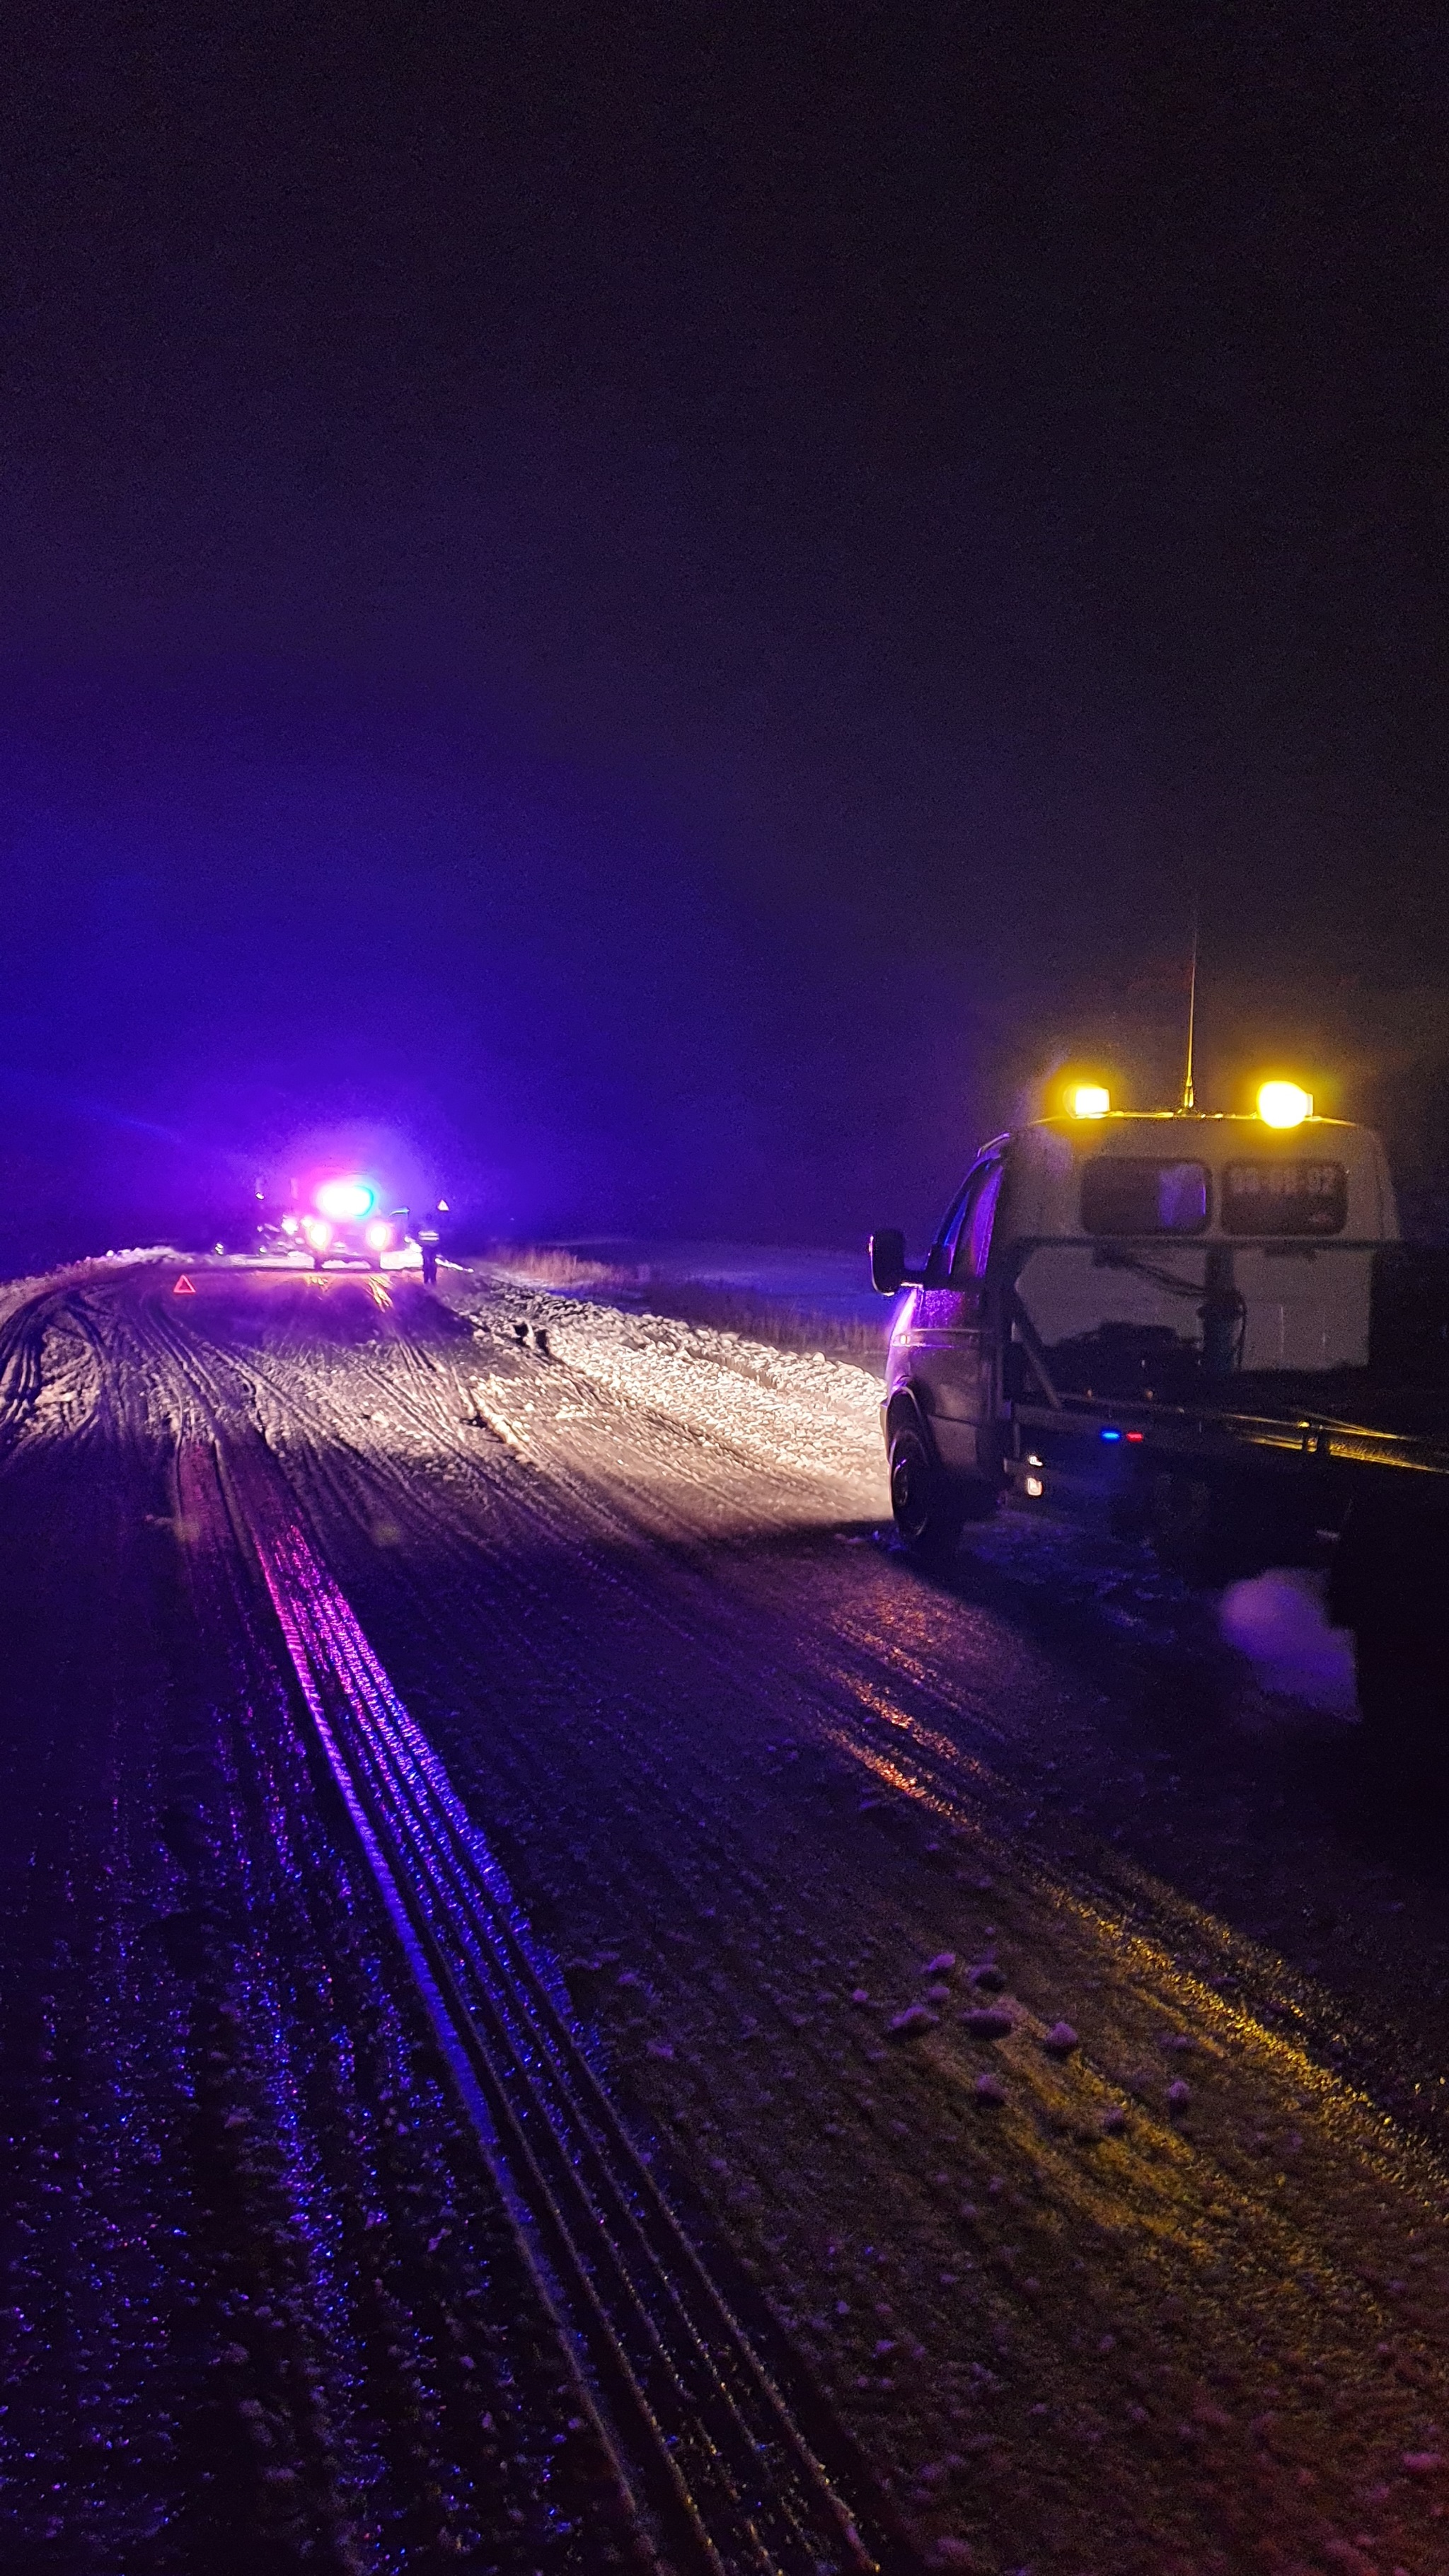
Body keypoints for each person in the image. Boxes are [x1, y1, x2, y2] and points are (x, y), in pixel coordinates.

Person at [416, 1209, 441, 1288]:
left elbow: (420, 1238)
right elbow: (438, 1237)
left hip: (426, 1248)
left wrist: (421, 1244)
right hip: (433, 1248)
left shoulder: (423, 1226)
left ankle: (426, 1281)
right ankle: (433, 1280)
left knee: (426, 1264)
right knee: (433, 1264)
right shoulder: (435, 1225)